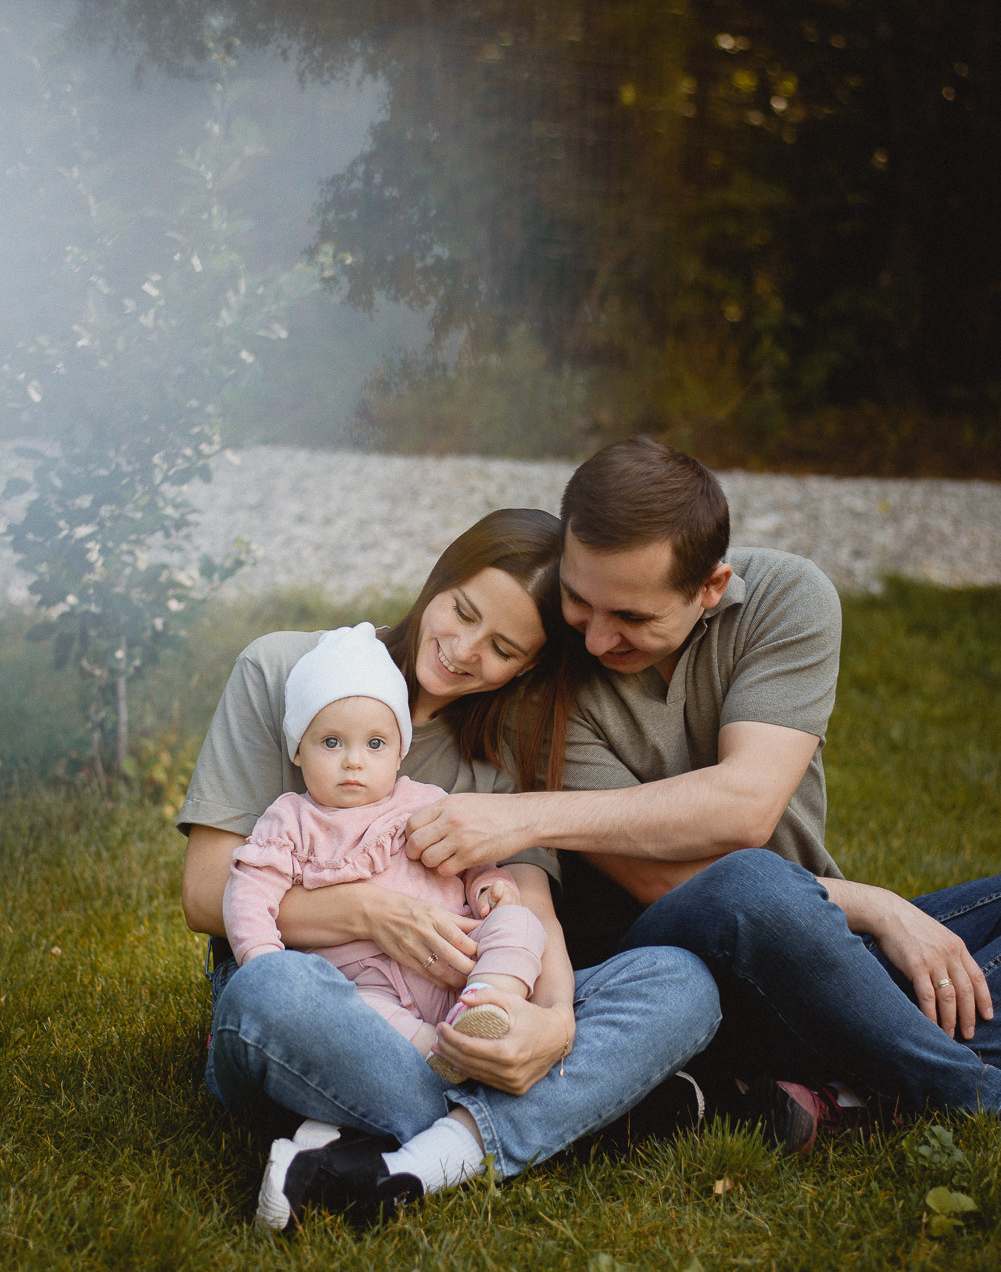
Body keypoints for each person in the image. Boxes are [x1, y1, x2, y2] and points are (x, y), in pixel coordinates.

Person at [403, 438, 1001, 1140]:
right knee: (752, 885)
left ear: (709, 589)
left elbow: (743, 804)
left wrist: (877, 909)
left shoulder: (783, 598)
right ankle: (969, 1094)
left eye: (631, 617)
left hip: (821, 944)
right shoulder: (543, 676)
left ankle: (847, 1083)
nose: (594, 639)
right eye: (577, 599)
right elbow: (673, 884)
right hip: (676, 968)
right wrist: (871, 907)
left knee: (784, 895)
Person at [179, 509, 721, 1230]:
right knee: (274, 989)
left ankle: (397, 1160)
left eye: (500, 647)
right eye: (461, 611)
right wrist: (367, 912)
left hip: (460, 1003)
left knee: (678, 981)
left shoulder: (502, 747)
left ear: (528, 663)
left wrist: (553, 1023)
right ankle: (586, 1110)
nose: (463, 650)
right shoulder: (288, 669)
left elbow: (527, 913)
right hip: (320, 1001)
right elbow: (206, 894)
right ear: (437, 580)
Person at [222, 620, 547, 1084]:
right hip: (364, 984)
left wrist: (489, 886)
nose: (354, 760)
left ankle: (491, 1004)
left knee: (521, 923)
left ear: (399, 752)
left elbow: (474, 863)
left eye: (375, 744)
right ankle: (440, 1057)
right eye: (331, 742)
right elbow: (249, 894)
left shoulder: (425, 803)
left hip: (460, 963)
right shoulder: (290, 821)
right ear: (298, 751)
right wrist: (265, 965)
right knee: (357, 1015)